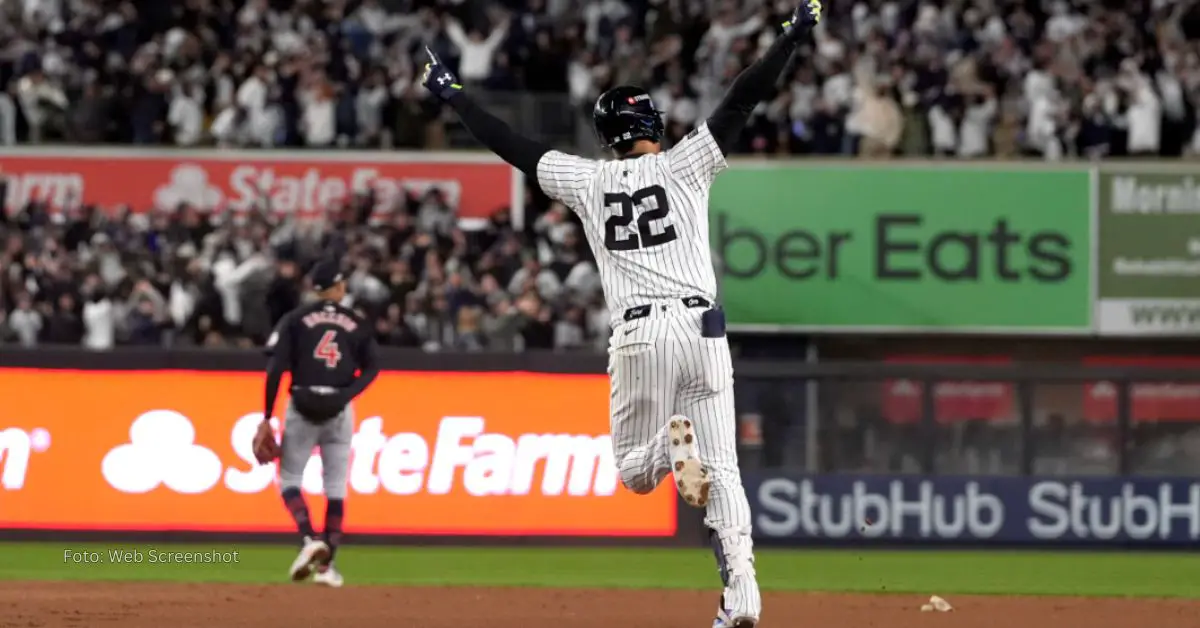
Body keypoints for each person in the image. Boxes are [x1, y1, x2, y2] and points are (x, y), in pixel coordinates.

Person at [419, 2, 821, 625]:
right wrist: (790, 36)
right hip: (705, 329)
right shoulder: (686, 163)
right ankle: (742, 596)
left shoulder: (587, 181)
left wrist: (453, 95)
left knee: (636, 472)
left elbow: (511, 144)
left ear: (608, 136)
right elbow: (744, 98)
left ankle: (670, 445)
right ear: (652, 124)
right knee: (727, 473)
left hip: (642, 333)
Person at [253, 259, 380, 588]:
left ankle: (310, 539)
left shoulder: (295, 319)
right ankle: (328, 568)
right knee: (336, 486)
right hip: (339, 408)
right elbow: (373, 367)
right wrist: (347, 393)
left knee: (290, 479)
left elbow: (276, 367)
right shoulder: (356, 321)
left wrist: (266, 416)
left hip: (304, 402)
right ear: (338, 288)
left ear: (314, 289)